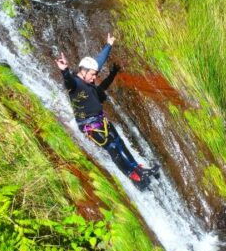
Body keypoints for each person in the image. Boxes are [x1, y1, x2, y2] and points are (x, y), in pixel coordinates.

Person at [56, 34, 157, 183]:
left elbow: (99, 61)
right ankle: (133, 175)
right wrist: (64, 70)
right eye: (92, 75)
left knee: (119, 141)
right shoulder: (75, 84)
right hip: (89, 125)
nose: (94, 78)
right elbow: (68, 81)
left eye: (95, 75)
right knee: (112, 148)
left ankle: (138, 168)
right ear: (83, 71)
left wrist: (109, 45)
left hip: (100, 119)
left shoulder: (88, 74)